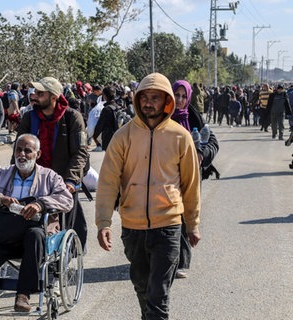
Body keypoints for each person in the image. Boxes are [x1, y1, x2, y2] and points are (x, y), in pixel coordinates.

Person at [96, 72, 201, 319]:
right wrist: (103, 222)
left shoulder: (180, 136)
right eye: (145, 97)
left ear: (166, 101)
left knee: (158, 295)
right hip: (133, 229)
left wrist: (193, 224)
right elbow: (108, 181)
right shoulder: (123, 136)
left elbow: (191, 184)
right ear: (137, 100)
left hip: (168, 227)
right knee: (143, 288)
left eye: (155, 97)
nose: (149, 102)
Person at [0, 134, 73, 312]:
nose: (22, 154)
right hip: (6, 235)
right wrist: (0, 199)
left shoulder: (49, 176)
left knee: (34, 233)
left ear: (38, 154)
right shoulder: (1, 175)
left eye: (28, 151)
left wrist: (40, 204)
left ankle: (23, 294)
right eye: (18, 150)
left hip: (34, 240)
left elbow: (66, 200)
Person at [16, 76, 89, 251]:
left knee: (65, 227)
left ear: (54, 97)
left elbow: (80, 152)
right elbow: (18, 150)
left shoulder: (73, 117)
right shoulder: (29, 117)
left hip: (63, 181)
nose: (34, 96)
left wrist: (70, 181)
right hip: (35, 181)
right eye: (35, 92)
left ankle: (64, 259)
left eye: (40, 93)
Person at [171, 80, 219, 278]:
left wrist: (202, 154)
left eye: (183, 96)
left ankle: (181, 262)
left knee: (185, 213)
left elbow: (213, 143)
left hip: (191, 176)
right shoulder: (161, 116)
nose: (180, 100)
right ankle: (167, 259)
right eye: (176, 95)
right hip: (168, 174)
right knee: (170, 215)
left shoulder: (195, 118)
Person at [92, 86, 121, 152]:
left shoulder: (106, 109)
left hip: (109, 138)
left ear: (104, 95)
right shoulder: (118, 107)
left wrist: (94, 135)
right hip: (119, 137)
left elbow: (100, 125)